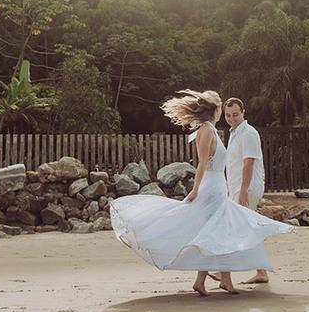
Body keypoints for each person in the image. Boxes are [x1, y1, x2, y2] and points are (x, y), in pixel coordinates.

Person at [109, 89, 295, 296]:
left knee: (217, 232)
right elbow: (202, 163)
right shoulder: (206, 130)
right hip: (212, 187)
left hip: (218, 186)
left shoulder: (214, 130)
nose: (226, 115)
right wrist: (196, 189)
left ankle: (213, 280)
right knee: (217, 231)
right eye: (222, 110)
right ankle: (220, 279)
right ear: (216, 110)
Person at [223, 97, 270, 285]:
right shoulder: (234, 133)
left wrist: (243, 190)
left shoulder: (248, 133)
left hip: (247, 188)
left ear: (243, 112)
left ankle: (227, 271)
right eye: (228, 115)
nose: (231, 118)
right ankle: (260, 271)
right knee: (245, 228)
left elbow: (248, 163)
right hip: (236, 188)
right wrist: (230, 190)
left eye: (235, 114)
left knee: (242, 227)